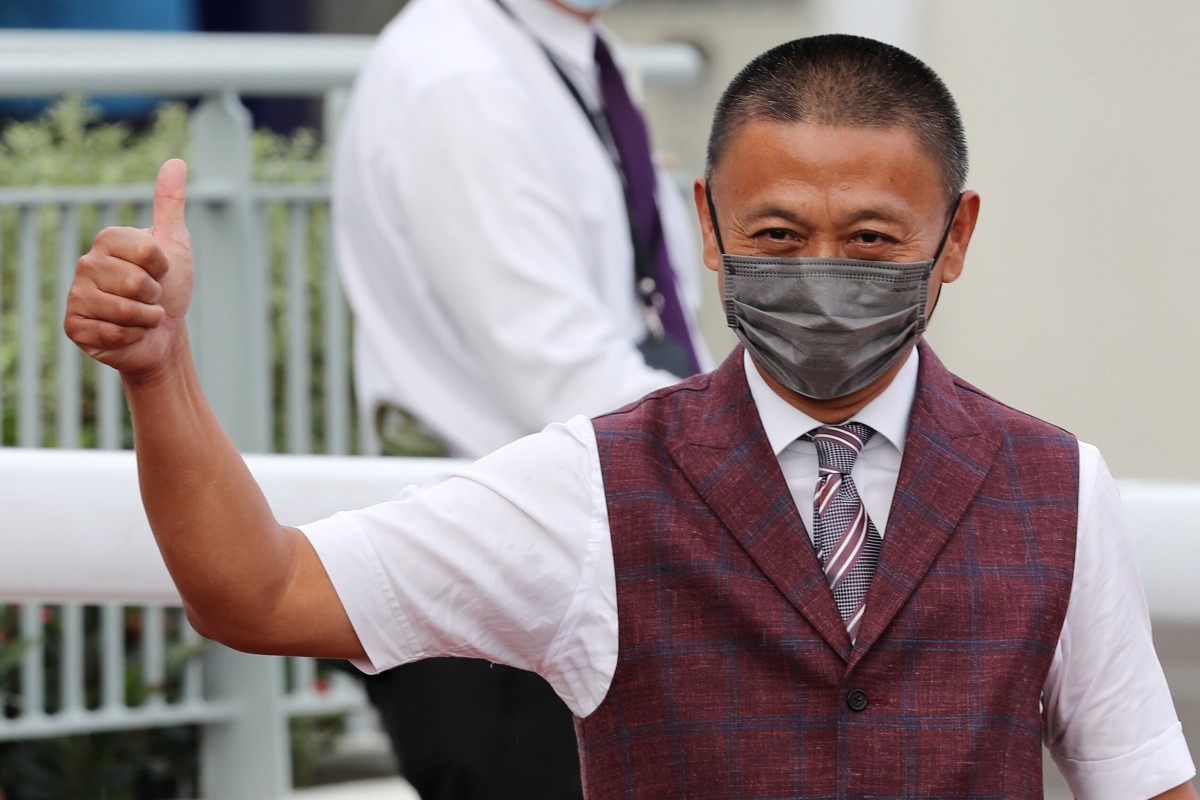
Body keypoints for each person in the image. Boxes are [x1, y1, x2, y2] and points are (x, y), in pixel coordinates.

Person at [64, 34, 1197, 798]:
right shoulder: (593, 484)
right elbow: (258, 590)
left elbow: (1146, 779)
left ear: (955, 236)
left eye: (869, 240)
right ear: (707, 227)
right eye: (778, 235)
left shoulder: (1058, 487)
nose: (822, 272)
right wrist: (161, 372)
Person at [330, 0, 708, 793]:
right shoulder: (460, 75)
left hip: (569, 563)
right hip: (506, 594)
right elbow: (561, 373)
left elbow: (642, 318)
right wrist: (767, 464)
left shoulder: (570, 54)